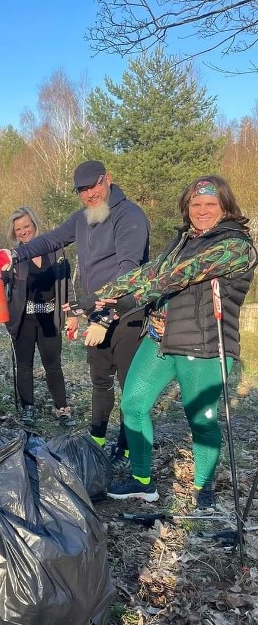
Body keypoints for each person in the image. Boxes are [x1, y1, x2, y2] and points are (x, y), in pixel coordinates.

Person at [84, 176, 256, 506]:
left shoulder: (237, 246)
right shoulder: (183, 241)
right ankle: (141, 480)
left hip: (204, 346)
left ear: (225, 207)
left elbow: (178, 276)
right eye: (195, 204)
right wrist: (93, 300)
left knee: (201, 421)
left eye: (210, 205)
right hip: (159, 338)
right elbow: (147, 273)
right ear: (186, 207)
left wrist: (122, 306)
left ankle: (203, 489)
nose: (202, 211)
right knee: (133, 404)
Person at [0, 160, 150, 466]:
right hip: (96, 313)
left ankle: (127, 449)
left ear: (108, 180)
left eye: (94, 186)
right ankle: (97, 441)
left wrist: (105, 315)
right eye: (83, 190)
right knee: (100, 381)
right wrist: (15, 253)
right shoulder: (83, 218)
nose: (90, 195)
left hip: (127, 314)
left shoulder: (129, 216)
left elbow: (129, 271)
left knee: (129, 388)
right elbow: (51, 239)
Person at [0, 206, 77, 426]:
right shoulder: (13, 257)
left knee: (53, 364)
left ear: (35, 225)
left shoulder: (56, 251)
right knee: (24, 364)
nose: (23, 232)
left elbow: (67, 285)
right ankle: (28, 408)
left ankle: (62, 408)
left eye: (26, 226)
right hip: (23, 320)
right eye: (18, 229)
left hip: (51, 317)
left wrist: (73, 313)